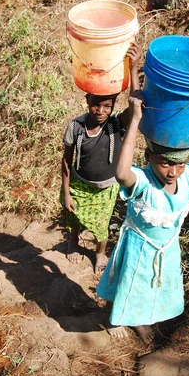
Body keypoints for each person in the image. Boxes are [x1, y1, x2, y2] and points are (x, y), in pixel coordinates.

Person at [96, 91, 189, 342]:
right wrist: (134, 120)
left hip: (167, 248)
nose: (173, 171)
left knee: (155, 286)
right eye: (165, 163)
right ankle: (116, 318)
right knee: (131, 282)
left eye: (179, 163)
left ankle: (142, 319)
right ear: (148, 158)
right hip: (140, 247)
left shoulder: (188, 176)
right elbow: (122, 173)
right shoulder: (143, 180)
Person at [61, 43, 141, 274]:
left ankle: (99, 253)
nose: (101, 110)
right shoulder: (75, 127)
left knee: (101, 226)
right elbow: (66, 161)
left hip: (106, 189)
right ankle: (73, 241)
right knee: (73, 216)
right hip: (78, 183)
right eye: (96, 104)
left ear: (113, 105)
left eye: (108, 106)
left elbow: (135, 105)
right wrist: (66, 192)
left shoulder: (116, 124)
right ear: (87, 100)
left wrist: (134, 68)